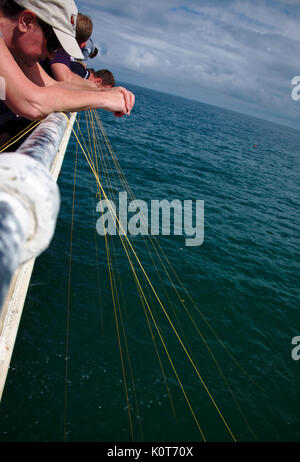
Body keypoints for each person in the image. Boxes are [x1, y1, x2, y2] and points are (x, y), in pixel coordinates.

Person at [0, 0, 134, 148]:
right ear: (26, 21)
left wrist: (104, 91)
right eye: (53, 44)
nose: (52, 56)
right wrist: (104, 99)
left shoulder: (18, 52)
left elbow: (51, 85)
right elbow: (31, 102)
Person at [41, 12, 96, 87]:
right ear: (82, 44)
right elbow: (65, 79)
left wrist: (93, 86)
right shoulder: (60, 47)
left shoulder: (62, 49)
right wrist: (97, 89)